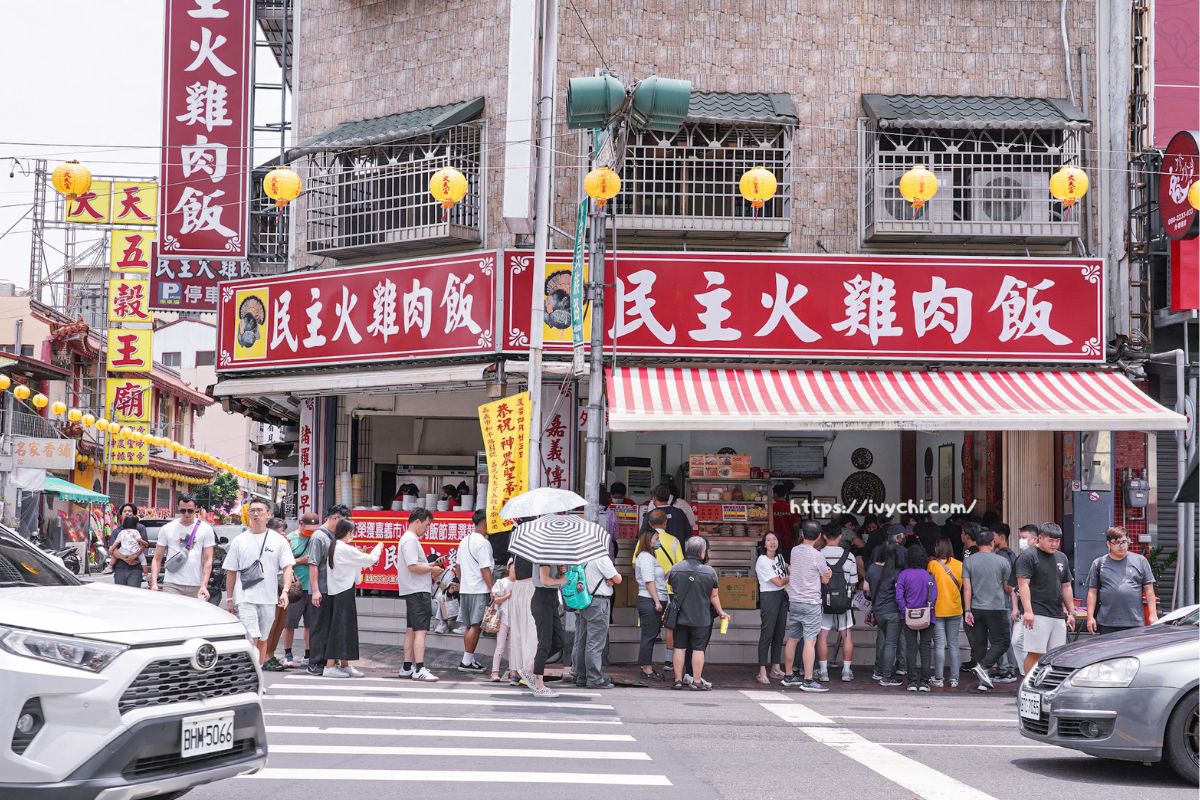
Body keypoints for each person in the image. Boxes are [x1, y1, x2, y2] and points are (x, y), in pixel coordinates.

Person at [222, 498, 295, 665]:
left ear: (268, 515)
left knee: (263, 638)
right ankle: (249, 671)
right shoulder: (239, 541)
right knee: (251, 636)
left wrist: (285, 591)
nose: (255, 513)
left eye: (259, 510)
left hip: (269, 598)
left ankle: (259, 675)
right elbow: (231, 572)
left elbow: (287, 567)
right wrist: (230, 599)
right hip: (245, 597)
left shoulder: (278, 540)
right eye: (252, 510)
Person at [319, 518, 381, 678]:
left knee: (345, 629)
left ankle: (344, 664)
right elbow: (370, 560)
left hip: (339, 592)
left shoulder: (337, 546)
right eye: (353, 532)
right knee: (340, 629)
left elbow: (356, 561)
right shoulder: (343, 548)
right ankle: (330, 666)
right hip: (343, 593)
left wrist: (360, 554)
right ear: (349, 533)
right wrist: (379, 547)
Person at [665, 536, 728, 691]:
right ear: (702, 553)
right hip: (702, 618)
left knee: (679, 647)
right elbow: (714, 596)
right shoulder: (709, 572)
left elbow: (673, 589)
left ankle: (678, 680)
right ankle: (697, 681)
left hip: (680, 617)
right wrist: (720, 612)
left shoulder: (676, 568)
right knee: (698, 649)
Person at [1015, 522, 1075, 675]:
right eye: (1050, 540)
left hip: (1057, 613)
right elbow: (1023, 585)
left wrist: (1072, 612)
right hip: (1037, 612)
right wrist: (1028, 611)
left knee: (1055, 655)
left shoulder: (1062, 557)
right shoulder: (1028, 555)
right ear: (1039, 538)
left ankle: (1047, 686)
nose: (1054, 544)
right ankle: (1028, 685)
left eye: (1057, 541)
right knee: (1035, 652)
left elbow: (1066, 586)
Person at [394, 508, 445, 682]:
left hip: (413, 590)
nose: (427, 528)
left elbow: (415, 565)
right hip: (417, 590)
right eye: (426, 524)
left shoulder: (409, 539)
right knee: (421, 631)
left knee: (411, 630)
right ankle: (419, 668)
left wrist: (430, 565)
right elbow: (413, 567)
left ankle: (407, 667)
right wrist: (432, 569)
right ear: (418, 521)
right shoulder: (410, 540)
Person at [781, 521, 832, 692]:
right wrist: (829, 574)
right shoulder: (817, 555)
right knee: (810, 641)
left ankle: (788, 676)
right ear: (819, 537)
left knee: (793, 638)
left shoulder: (795, 551)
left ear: (802, 534)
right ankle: (808, 680)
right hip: (811, 602)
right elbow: (825, 579)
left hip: (794, 601)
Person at [962, 529, 1013, 691]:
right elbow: (1007, 588)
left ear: (976, 543)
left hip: (976, 608)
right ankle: (983, 667)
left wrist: (967, 610)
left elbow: (967, 589)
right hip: (997, 607)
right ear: (992, 543)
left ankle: (983, 680)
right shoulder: (1002, 561)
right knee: (1003, 642)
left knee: (980, 645)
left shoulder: (969, 561)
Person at [635, 508, 685, 671]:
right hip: (668, 591)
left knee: (650, 631)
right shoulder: (674, 541)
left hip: (652, 592)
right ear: (666, 523)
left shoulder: (643, 541)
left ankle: (648, 664)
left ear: (649, 523)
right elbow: (681, 565)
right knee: (670, 626)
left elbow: (635, 563)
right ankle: (669, 660)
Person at [304, 504, 351, 676]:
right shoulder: (319, 537)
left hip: (332, 589)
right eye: (341, 521)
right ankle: (315, 662)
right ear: (334, 518)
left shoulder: (333, 536)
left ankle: (326, 662)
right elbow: (313, 564)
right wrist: (315, 590)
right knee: (319, 626)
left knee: (329, 626)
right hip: (321, 589)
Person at [1086, 526, 1158, 635]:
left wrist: (1153, 615)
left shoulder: (1140, 561)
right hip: (1107, 622)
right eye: (1117, 542)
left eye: (1124, 541)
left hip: (1134, 621)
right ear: (1108, 544)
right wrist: (1090, 617)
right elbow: (1092, 592)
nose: (1122, 546)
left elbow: (1149, 590)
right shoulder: (1099, 563)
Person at [571, 544, 622, 689]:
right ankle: (594, 678)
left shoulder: (580, 557)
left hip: (583, 601)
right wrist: (612, 579)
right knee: (595, 643)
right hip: (598, 602)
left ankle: (580, 676)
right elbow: (618, 579)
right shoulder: (600, 557)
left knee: (582, 641)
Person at [149, 494, 215, 599]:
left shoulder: (206, 529)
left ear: (196, 509)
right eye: (183, 510)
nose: (186, 514)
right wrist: (154, 583)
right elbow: (157, 558)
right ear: (178, 508)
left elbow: (208, 560)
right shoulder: (167, 529)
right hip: (172, 583)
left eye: (190, 510)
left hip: (196, 585)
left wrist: (204, 585)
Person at [456, 508, 495, 672]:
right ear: (485, 523)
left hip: (465, 588)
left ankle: (469, 659)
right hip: (479, 589)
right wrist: (492, 589)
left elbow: (457, 567)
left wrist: (463, 581)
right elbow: (485, 569)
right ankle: (466, 661)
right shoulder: (484, 543)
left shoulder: (464, 540)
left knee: (469, 625)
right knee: (476, 625)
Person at [817, 532, 858, 683]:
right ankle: (846, 672)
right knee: (846, 635)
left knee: (822, 636)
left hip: (824, 602)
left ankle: (823, 672)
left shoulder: (818, 555)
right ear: (840, 536)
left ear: (825, 537)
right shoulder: (850, 556)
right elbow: (854, 582)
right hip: (843, 602)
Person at [895, 543, 937, 692]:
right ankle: (925, 682)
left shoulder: (903, 574)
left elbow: (899, 595)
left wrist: (904, 609)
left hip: (908, 616)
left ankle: (912, 682)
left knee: (911, 648)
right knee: (925, 648)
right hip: (928, 616)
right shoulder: (929, 576)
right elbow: (934, 596)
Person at [282, 512, 320, 668]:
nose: (310, 533)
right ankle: (288, 653)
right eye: (308, 530)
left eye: (313, 530)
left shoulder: (316, 538)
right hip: (295, 589)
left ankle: (308, 653)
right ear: (301, 523)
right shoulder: (290, 539)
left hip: (311, 587)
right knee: (290, 623)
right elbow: (284, 562)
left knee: (310, 624)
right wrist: (300, 561)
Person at [524, 561, 567, 698]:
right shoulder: (545, 556)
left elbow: (551, 577)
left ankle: (530, 669)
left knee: (559, 641)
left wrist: (561, 572)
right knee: (545, 643)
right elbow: (544, 579)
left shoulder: (553, 557)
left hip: (551, 599)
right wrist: (562, 580)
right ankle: (538, 685)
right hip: (542, 599)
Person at [927, 537, 963, 688]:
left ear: (938, 548)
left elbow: (929, 586)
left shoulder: (932, 565)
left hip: (938, 610)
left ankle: (939, 678)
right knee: (954, 644)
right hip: (955, 609)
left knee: (939, 644)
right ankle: (955, 679)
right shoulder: (960, 565)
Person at [635, 529, 669, 682]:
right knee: (649, 636)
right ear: (649, 540)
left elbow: (653, 578)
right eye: (656, 539)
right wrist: (656, 601)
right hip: (650, 601)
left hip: (649, 599)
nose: (658, 542)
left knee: (648, 635)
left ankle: (646, 667)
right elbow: (649, 581)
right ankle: (647, 669)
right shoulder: (647, 557)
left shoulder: (646, 557)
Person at [260, 517, 294, 671]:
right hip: (269, 588)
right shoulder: (266, 543)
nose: (285, 534)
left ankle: (271, 654)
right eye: (282, 531)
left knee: (280, 623)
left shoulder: (284, 544)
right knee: (271, 624)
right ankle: (265, 656)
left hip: (282, 588)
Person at [755, 531, 789, 684]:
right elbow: (779, 582)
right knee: (767, 634)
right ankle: (762, 670)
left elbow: (785, 568)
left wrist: (791, 567)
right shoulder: (762, 561)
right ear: (764, 544)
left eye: (774, 539)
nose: (772, 542)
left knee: (779, 633)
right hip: (769, 597)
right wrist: (793, 575)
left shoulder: (779, 557)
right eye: (768, 540)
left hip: (781, 596)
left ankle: (775, 667)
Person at [868, 543, 904, 686]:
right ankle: (887, 677)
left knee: (884, 642)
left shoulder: (871, 569)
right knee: (891, 644)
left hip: (878, 611)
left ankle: (879, 670)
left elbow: (867, 588)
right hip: (893, 612)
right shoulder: (896, 572)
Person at [507, 551, 538, 688]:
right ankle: (527, 672)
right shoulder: (535, 549)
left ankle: (516, 672)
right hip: (531, 588)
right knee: (530, 633)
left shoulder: (517, 550)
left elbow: (513, 575)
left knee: (518, 633)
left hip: (518, 588)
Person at [489, 559, 515, 682]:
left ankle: (512, 671)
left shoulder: (521, 583)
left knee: (513, 647)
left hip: (516, 618)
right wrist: (507, 595)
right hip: (503, 617)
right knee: (500, 645)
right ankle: (494, 672)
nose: (515, 569)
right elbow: (496, 599)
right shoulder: (502, 582)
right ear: (508, 568)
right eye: (513, 566)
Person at [109, 516, 149, 588]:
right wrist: (145, 543)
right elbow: (140, 541)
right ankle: (146, 573)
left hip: (123, 551)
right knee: (143, 560)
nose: (127, 512)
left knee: (115, 555)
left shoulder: (121, 532)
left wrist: (112, 549)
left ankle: (109, 566)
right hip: (134, 551)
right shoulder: (135, 531)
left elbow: (116, 543)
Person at [770, 484, 798, 557]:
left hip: (773, 543)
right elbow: (795, 525)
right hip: (788, 543)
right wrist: (796, 540)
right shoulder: (791, 507)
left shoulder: (771, 508)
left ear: (775, 494)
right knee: (787, 565)